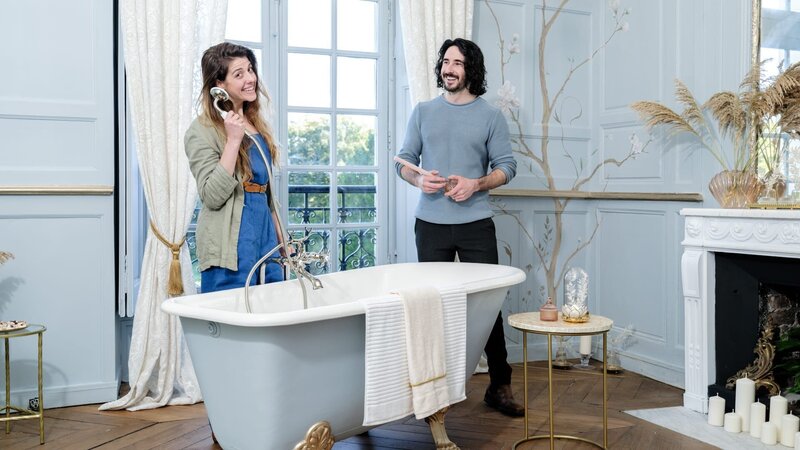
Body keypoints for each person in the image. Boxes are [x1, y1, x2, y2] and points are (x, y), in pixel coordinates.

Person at [394, 38, 523, 417]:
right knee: (429, 306)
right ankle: (431, 388)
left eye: (457, 63)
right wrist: (418, 181)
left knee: (489, 304)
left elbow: (507, 167)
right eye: (445, 62)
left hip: (476, 224)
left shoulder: (491, 117)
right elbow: (402, 161)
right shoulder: (422, 111)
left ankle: (500, 385)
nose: (449, 69)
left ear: (471, 70)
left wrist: (477, 183)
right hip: (430, 224)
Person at [185, 42, 285, 294]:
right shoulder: (201, 131)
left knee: (274, 310)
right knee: (231, 315)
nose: (250, 78)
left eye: (250, 70)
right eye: (239, 74)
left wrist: (282, 238)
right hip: (230, 245)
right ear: (219, 86)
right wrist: (232, 140)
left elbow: (266, 194)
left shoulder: (258, 127)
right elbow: (212, 196)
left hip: (266, 241)